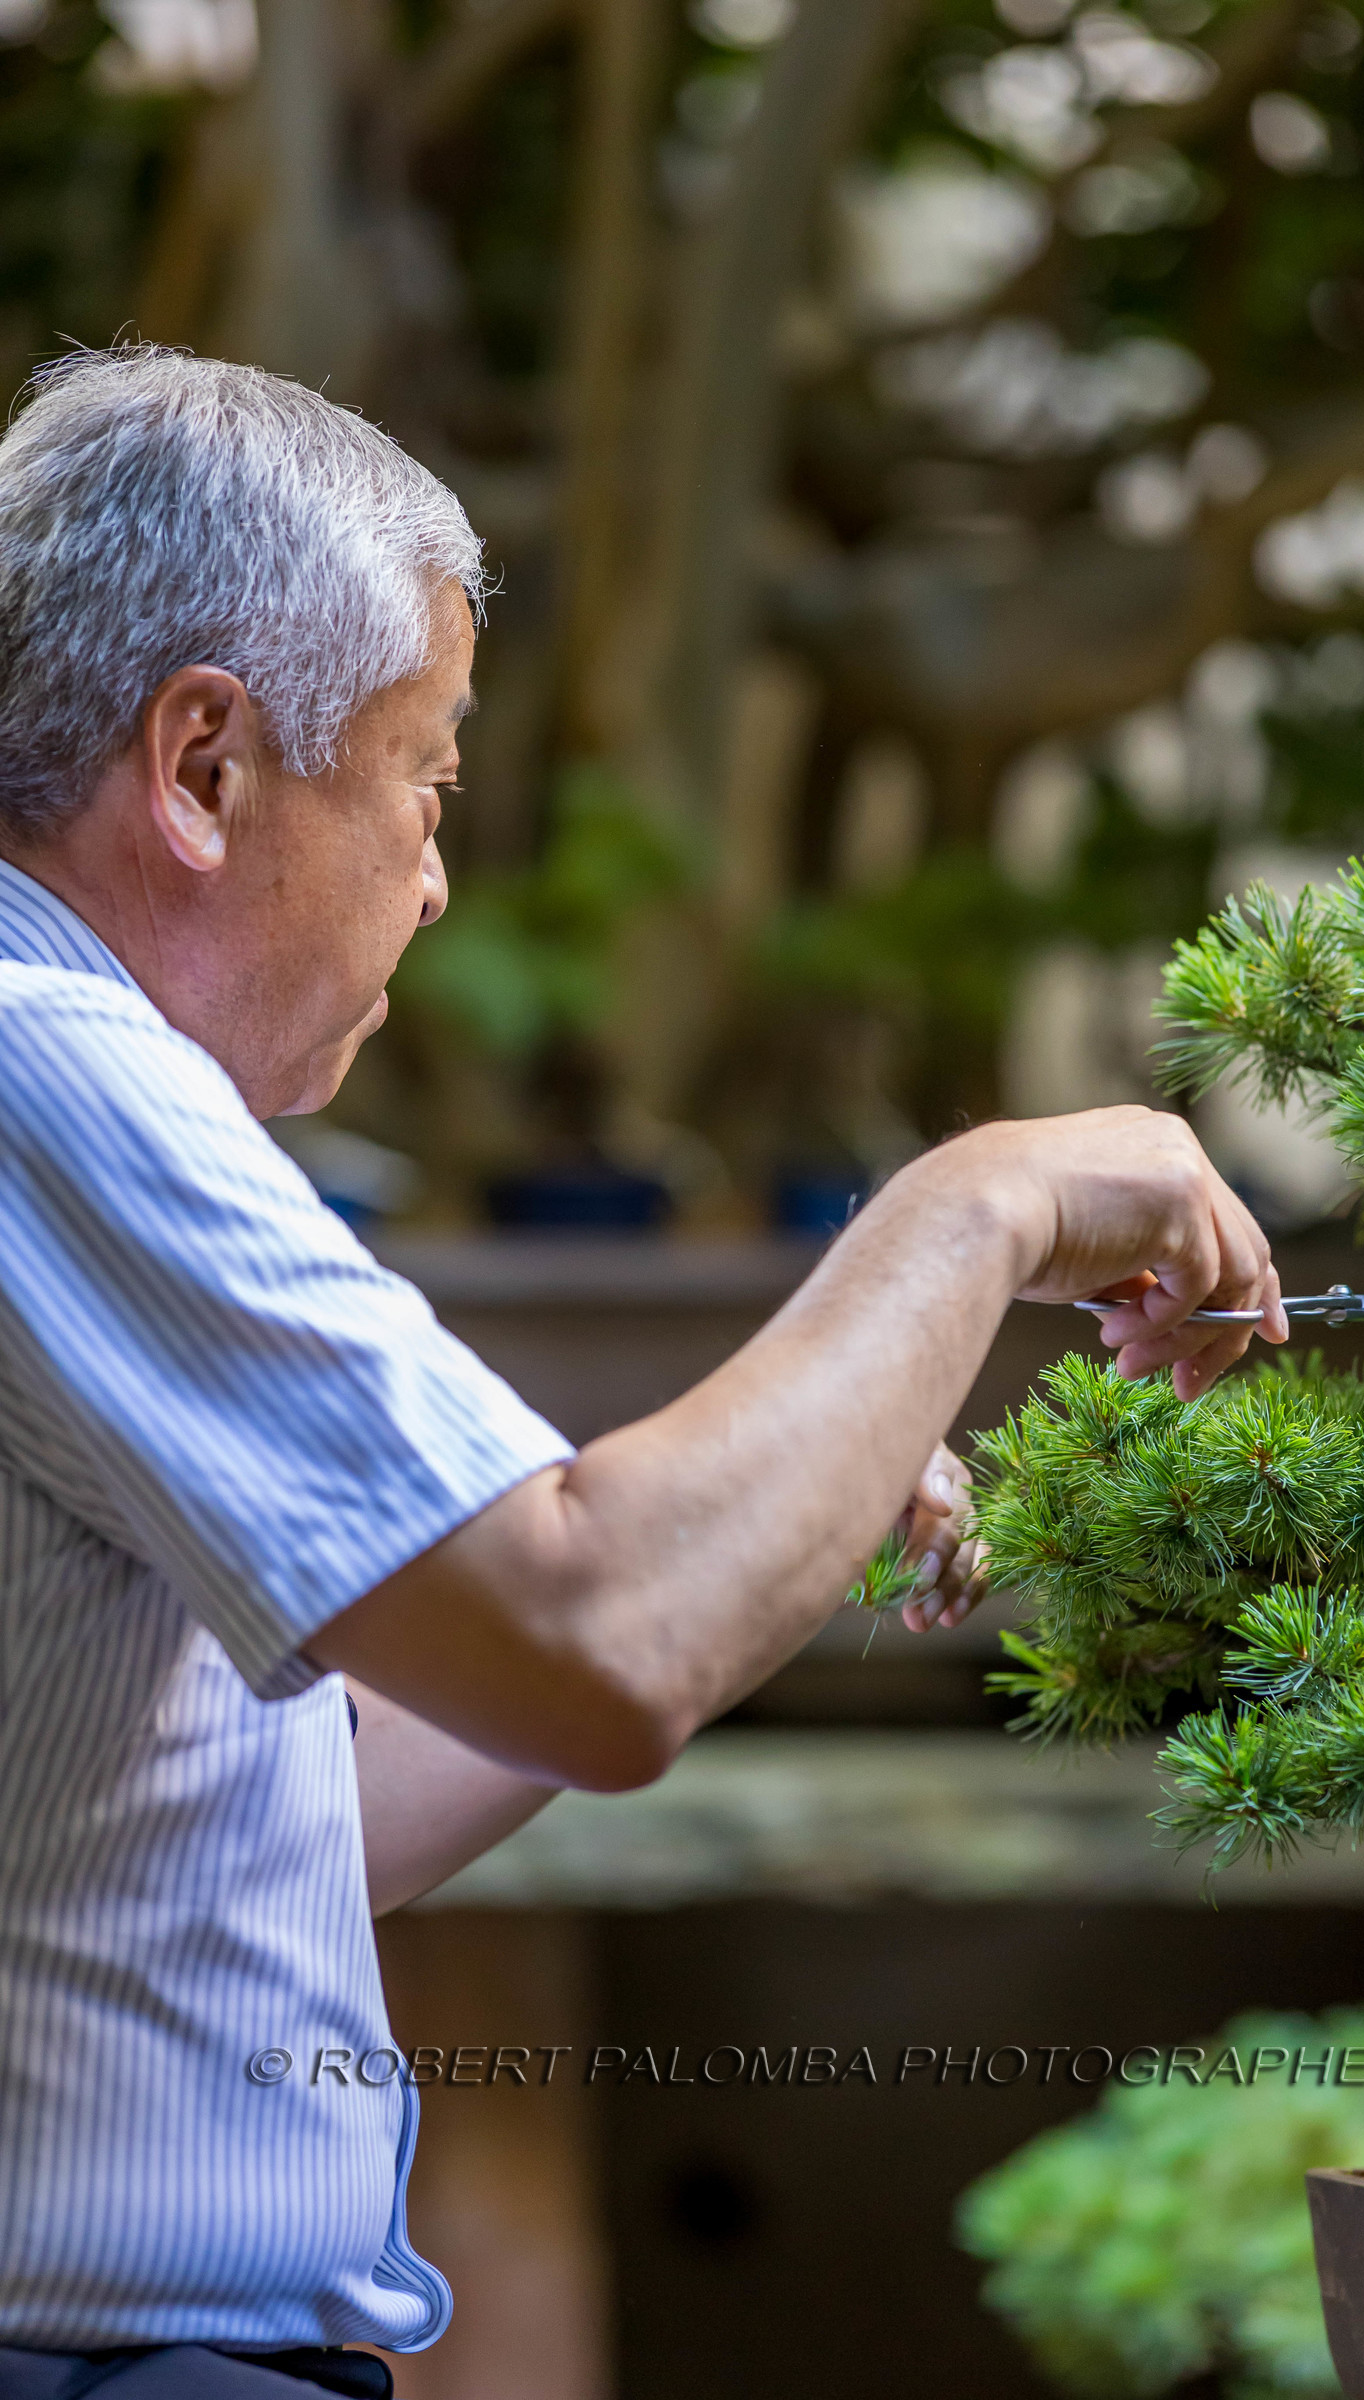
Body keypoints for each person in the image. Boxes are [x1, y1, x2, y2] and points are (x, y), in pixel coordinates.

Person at [0, 348, 1287, 2399]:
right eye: (422, 781)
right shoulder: (44, 1072)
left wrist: (776, 1522)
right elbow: (597, 1633)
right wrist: (982, 1200)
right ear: (206, 766)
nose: (435, 876)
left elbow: (267, 1812)